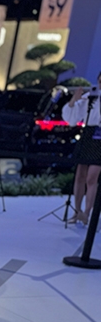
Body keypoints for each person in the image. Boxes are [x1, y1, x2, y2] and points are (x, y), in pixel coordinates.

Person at [63, 72, 101, 225]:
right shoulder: (91, 97)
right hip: (88, 135)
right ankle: (77, 211)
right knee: (80, 175)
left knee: (92, 177)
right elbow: (72, 119)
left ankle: (87, 212)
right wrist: (74, 100)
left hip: (100, 138)